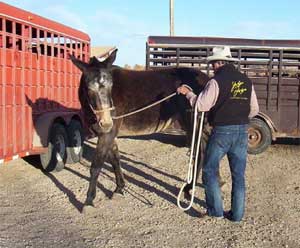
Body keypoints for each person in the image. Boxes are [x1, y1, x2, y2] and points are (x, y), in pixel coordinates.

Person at [177, 46, 259, 222]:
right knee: (238, 175)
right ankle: (237, 215)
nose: (212, 66)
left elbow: (201, 105)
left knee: (209, 169)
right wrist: (239, 118)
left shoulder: (216, 82)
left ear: (218, 63)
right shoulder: (246, 81)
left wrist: (188, 93)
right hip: (241, 131)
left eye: (213, 63)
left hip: (222, 132)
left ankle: (216, 211)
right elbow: (254, 110)